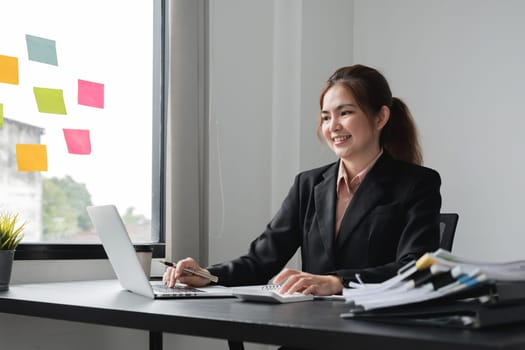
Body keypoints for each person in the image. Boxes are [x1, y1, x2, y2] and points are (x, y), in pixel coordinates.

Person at [163, 64, 441, 297]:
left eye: (345, 113)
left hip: (374, 332)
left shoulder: (417, 184)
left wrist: (337, 283)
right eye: (325, 117)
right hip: (310, 330)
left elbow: (415, 267)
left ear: (380, 117)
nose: (333, 126)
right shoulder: (308, 185)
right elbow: (261, 260)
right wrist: (207, 275)